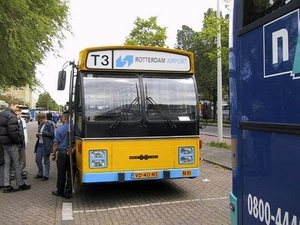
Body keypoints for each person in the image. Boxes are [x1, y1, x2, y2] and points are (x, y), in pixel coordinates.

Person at [0, 100, 31, 193]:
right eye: (16, 106)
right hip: (12, 143)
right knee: (16, 164)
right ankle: (20, 184)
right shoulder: (11, 116)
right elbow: (13, 132)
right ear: (12, 105)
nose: (17, 108)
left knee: (6, 164)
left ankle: (6, 185)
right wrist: (18, 141)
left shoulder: (1, 114)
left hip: (3, 143)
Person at [51, 112, 74, 199]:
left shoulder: (60, 129)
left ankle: (60, 191)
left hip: (62, 153)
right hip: (71, 152)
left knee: (61, 173)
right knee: (70, 173)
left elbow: (56, 144)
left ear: (64, 118)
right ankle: (68, 192)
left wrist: (53, 154)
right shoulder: (75, 128)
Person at [34, 112, 54, 181]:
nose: (40, 121)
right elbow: (39, 132)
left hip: (46, 144)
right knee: (37, 159)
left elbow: (51, 134)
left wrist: (42, 133)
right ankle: (40, 172)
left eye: (41, 120)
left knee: (46, 160)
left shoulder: (50, 124)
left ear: (44, 118)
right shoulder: (41, 124)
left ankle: (46, 175)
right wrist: (38, 135)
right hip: (39, 143)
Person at [10, 108, 28, 180]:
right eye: (16, 114)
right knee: (15, 159)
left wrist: (26, 142)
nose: (18, 116)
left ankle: (20, 171)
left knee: (23, 159)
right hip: (15, 143)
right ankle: (14, 172)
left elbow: (25, 132)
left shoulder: (22, 121)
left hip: (22, 143)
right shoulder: (12, 121)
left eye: (19, 114)